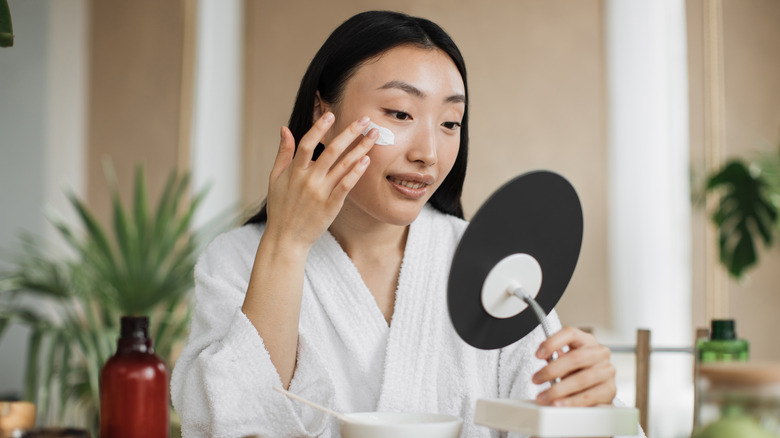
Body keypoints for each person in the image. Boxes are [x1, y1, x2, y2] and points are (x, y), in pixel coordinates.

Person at [171, 10, 642, 438]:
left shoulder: (492, 265)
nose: (428, 154)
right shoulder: (235, 262)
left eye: (450, 123)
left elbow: (553, 419)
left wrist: (589, 406)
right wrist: (287, 245)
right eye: (399, 113)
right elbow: (227, 423)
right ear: (322, 113)